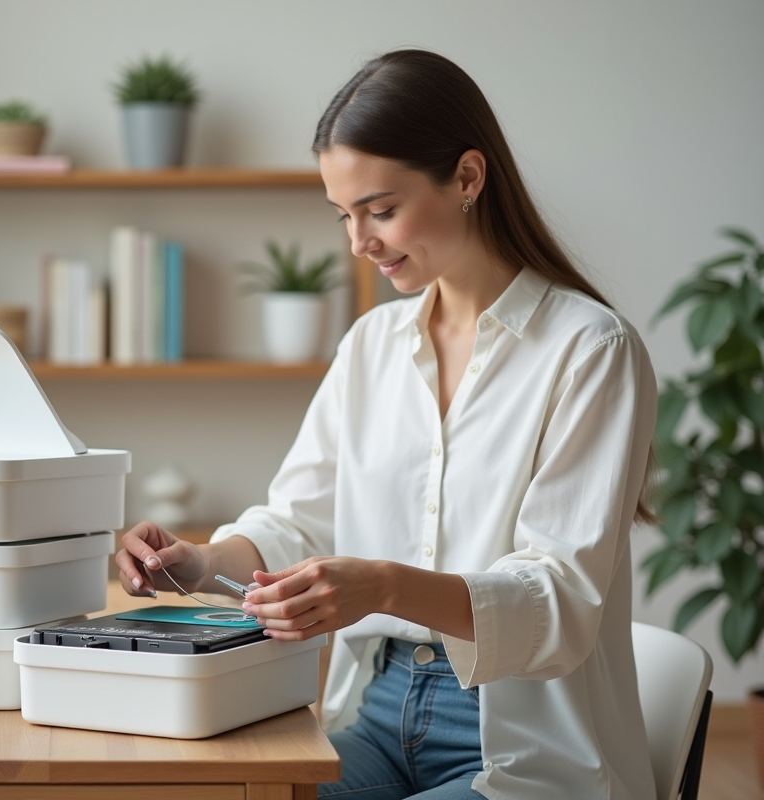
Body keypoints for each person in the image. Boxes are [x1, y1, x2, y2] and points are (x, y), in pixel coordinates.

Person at [114, 49, 658, 800]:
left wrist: (383, 586)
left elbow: (558, 601)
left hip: (521, 744)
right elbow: (297, 524)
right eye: (344, 215)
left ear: (468, 177)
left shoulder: (591, 349)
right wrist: (201, 562)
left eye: (380, 209)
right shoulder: (373, 344)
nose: (357, 244)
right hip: (375, 712)